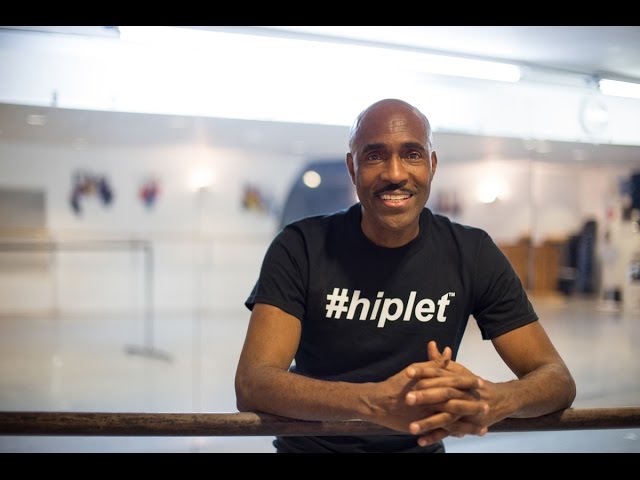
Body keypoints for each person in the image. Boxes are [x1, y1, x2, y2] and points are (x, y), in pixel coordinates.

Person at [235, 99, 576, 453]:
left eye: (412, 155)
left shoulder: (472, 253)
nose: (395, 174)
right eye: (374, 156)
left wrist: (494, 399)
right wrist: (373, 402)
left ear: (431, 165)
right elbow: (253, 383)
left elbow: (557, 379)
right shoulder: (300, 247)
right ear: (353, 168)